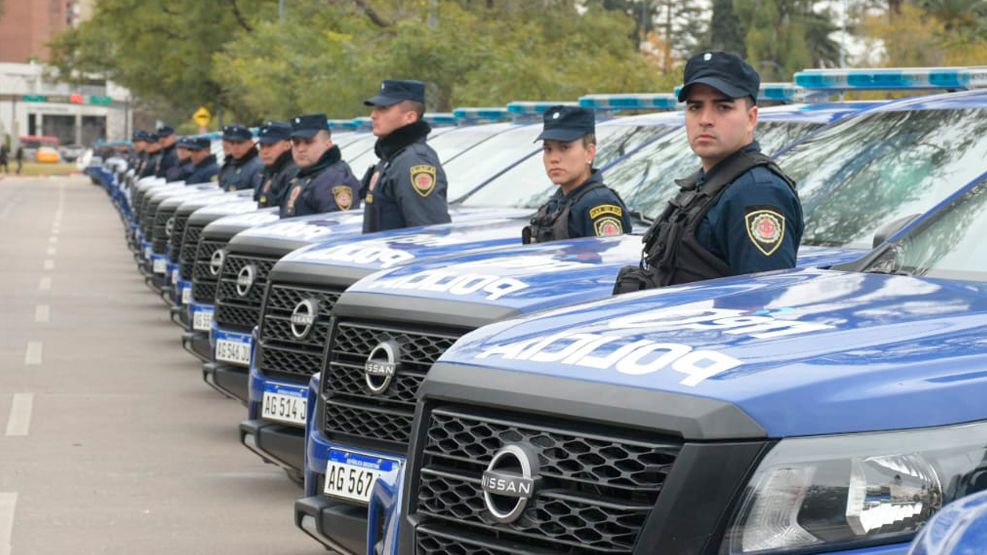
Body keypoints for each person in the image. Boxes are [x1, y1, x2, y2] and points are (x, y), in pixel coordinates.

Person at [613, 51, 803, 294]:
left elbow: (764, 298)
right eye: (695, 107)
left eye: (723, 107)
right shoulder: (708, 183)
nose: (705, 119)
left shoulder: (756, 192)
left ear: (751, 118)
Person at [522, 105, 631, 244]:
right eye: (548, 149)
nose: (554, 158)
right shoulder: (558, 202)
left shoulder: (598, 204)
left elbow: (607, 256)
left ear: (589, 152)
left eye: (564, 147)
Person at [360, 79, 450, 233]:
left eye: (383, 109)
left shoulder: (414, 162)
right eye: (375, 109)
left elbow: (429, 233)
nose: (373, 115)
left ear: (410, 117)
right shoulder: (392, 158)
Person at [280, 114, 360, 218]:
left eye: (308, 142)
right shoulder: (306, 174)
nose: (300, 149)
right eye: (296, 143)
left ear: (328, 144)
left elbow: (335, 224)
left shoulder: (334, 179)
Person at [253, 121, 298, 208]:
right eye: (262, 146)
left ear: (287, 145)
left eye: (270, 145)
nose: (265, 151)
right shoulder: (269, 170)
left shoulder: (293, 172)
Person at [218, 125, 262, 192]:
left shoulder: (258, 167)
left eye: (240, 143)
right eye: (232, 143)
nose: (235, 147)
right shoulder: (229, 166)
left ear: (250, 143)